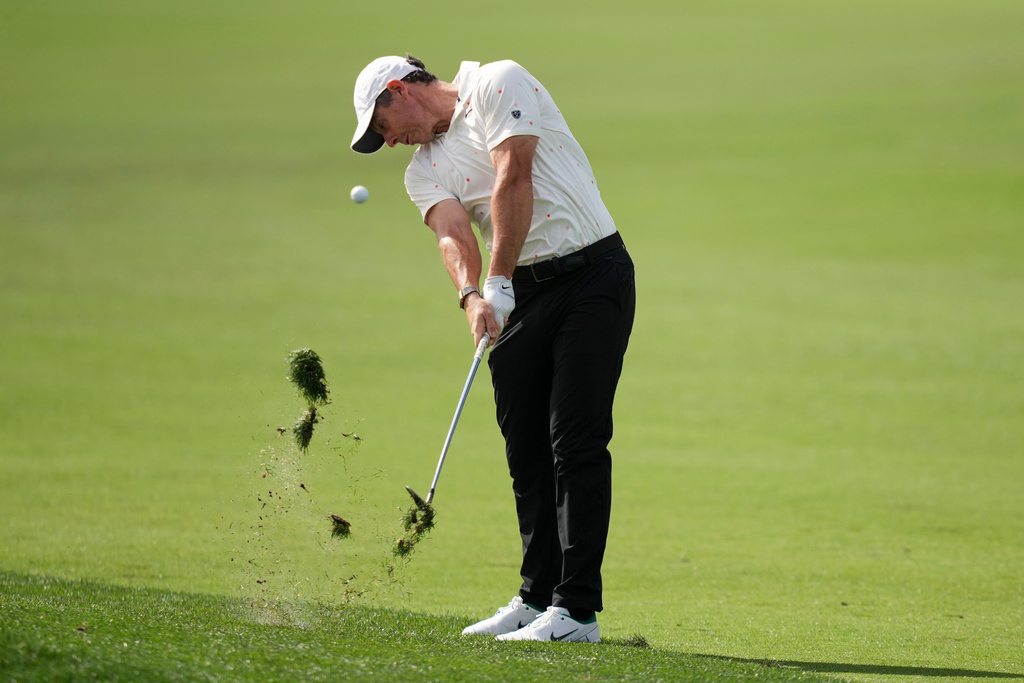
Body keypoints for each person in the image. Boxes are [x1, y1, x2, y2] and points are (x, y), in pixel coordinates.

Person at [350, 55, 635, 643]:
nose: (393, 142)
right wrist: (473, 296)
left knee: (574, 442)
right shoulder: (422, 170)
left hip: (591, 276)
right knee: (525, 449)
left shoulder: (497, 81)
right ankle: (535, 599)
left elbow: (514, 175)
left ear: (399, 91)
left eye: (384, 128)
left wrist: (498, 280)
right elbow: (453, 232)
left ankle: (577, 611)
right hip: (517, 296)